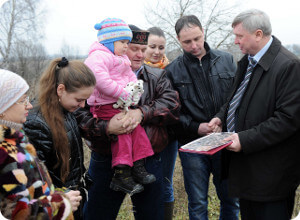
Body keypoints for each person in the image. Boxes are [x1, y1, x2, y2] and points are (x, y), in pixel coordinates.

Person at [74, 24, 180, 219]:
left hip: (146, 160)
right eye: (133, 48)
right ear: (119, 47)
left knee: (151, 215)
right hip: (106, 158)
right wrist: (106, 127)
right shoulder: (95, 77)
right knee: (98, 214)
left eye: (143, 49)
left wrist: (141, 113)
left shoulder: (157, 76)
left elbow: (172, 106)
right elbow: (79, 114)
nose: (140, 54)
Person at [208, 9, 300, 220]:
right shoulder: (248, 62)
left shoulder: (289, 66)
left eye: (240, 36)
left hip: (272, 175)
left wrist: (244, 139)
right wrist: (221, 116)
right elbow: (236, 99)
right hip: (248, 170)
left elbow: (288, 119)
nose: (236, 41)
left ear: (258, 34)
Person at [165, 15, 239, 219]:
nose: (194, 45)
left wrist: (220, 118)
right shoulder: (171, 71)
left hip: (225, 142)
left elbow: (235, 98)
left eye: (197, 38)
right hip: (193, 145)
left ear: (203, 32)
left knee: (231, 200)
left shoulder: (226, 60)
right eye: (187, 42)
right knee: (197, 204)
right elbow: (172, 114)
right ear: (178, 40)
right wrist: (196, 127)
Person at [84, 18, 156, 196]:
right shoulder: (98, 57)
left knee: (136, 131)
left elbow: (130, 77)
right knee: (123, 131)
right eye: (124, 43)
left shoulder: (121, 58)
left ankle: (138, 165)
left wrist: (135, 92)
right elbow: (100, 81)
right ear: (110, 41)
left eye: (127, 43)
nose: (126, 47)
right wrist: (123, 93)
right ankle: (121, 174)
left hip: (120, 104)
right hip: (103, 106)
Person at [23, 57, 96, 219]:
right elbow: (35, 178)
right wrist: (60, 198)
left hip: (71, 201)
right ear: (61, 89)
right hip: (56, 207)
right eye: (79, 99)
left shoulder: (66, 111)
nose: (83, 105)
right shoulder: (36, 124)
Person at [0, 69, 73, 219]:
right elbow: (16, 212)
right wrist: (62, 203)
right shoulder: (4, 152)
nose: (29, 106)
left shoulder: (15, 139)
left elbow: (32, 189)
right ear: (2, 108)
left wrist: (56, 195)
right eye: (22, 100)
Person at [144, 26, 177, 219]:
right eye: (152, 46)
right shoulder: (134, 69)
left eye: (161, 47)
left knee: (165, 182)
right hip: (141, 137)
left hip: (167, 137)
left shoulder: (171, 70)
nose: (157, 52)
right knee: (143, 184)